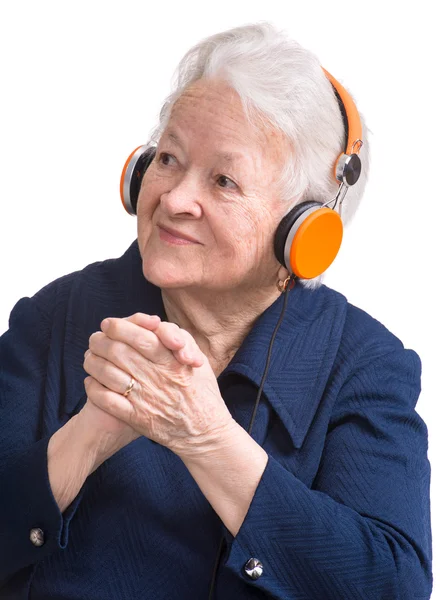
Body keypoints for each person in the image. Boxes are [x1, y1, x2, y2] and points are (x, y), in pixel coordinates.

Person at [0, 22, 432, 600]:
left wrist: (208, 439)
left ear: (304, 230)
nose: (175, 199)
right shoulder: (58, 317)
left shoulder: (363, 362)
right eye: (169, 158)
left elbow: (392, 586)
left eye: (224, 180)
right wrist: (87, 438)